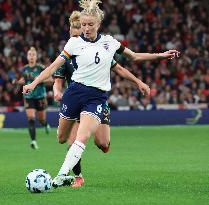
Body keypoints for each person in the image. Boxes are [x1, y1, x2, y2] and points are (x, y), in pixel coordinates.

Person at [23, 0, 180, 188]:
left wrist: (160, 55)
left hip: (96, 97)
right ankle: (68, 170)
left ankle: (61, 176)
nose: (86, 28)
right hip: (74, 93)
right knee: (62, 138)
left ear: (98, 24)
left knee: (82, 137)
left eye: (90, 25)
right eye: (83, 25)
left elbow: (134, 56)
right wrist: (34, 83)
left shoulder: (110, 43)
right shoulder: (74, 43)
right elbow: (53, 66)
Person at [53, 10, 150, 188]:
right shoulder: (69, 53)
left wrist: (138, 82)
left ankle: (97, 147)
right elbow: (57, 80)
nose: (81, 35)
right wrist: (57, 91)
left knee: (103, 143)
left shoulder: (101, 48)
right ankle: (77, 176)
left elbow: (120, 68)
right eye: (76, 33)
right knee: (73, 139)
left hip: (96, 99)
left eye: (82, 31)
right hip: (76, 99)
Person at [14, 47, 52, 149]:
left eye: (33, 54)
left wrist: (38, 80)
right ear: (27, 57)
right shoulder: (24, 69)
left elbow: (50, 79)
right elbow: (23, 80)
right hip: (28, 96)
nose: (31, 56)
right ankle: (33, 141)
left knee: (41, 119)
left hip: (40, 96)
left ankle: (45, 124)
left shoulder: (41, 68)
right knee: (31, 118)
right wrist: (17, 82)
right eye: (29, 54)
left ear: (36, 57)